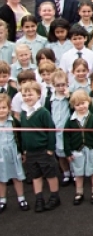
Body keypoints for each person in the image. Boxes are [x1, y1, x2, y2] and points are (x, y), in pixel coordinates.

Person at [19, 81, 61, 212]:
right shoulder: (23, 113)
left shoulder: (43, 112)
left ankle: (54, 197)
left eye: (30, 94)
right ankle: (39, 198)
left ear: (38, 95)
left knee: (50, 174)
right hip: (30, 152)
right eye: (24, 95)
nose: (27, 97)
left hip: (43, 150)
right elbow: (23, 133)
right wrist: (24, 149)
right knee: (35, 176)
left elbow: (50, 130)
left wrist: (50, 148)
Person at [64, 89, 93, 205]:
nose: (81, 106)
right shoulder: (71, 121)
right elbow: (66, 136)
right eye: (78, 105)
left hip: (92, 149)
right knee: (78, 172)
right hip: (77, 150)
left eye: (83, 103)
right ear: (73, 106)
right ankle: (79, 192)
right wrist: (67, 152)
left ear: (88, 102)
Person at [0, 92, 27, 212]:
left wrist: (22, 152)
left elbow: (20, 138)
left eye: (3, 107)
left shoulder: (14, 122)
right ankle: (2, 200)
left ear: (9, 108)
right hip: (0, 154)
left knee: (17, 177)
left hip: (13, 152)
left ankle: (21, 199)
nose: (1, 110)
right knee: (1, 178)